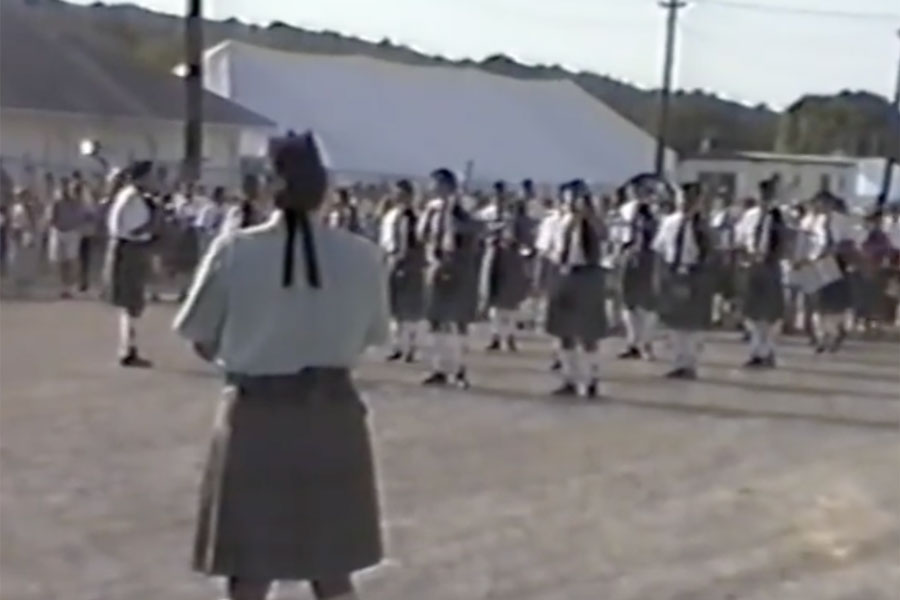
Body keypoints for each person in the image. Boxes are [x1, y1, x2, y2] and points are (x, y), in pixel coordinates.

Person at [174, 131, 388, 600]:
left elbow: (200, 336)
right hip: (332, 414)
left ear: (267, 187)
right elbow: (373, 337)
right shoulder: (365, 257)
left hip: (256, 414)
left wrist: (251, 351)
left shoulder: (235, 251)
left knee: (249, 569)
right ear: (325, 188)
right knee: (332, 569)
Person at [417, 168, 480, 388]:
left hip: (458, 266)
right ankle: (439, 367)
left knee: (458, 319)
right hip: (436, 264)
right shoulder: (432, 210)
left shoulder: (464, 207)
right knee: (435, 318)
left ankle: (459, 368)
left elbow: (472, 233)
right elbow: (422, 234)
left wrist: (458, 216)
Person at [545, 180, 608, 397]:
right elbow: (549, 248)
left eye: (578, 197)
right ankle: (569, 378)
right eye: (569, 197)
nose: (573, 202)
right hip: (564, 273)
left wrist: (590, 216)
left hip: (588, 275)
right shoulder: (558, 221)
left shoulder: (593, 222)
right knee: (564, 332)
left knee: (589, 333)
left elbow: (603, 236)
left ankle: (591, 379)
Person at [651, 183, 711, 379]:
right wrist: (661, 275)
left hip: (694, 273)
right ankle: (678, 361)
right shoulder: (669, 222)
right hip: (672, 271)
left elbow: (710, 253)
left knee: (692, 323)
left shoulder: (703, 225)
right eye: (682, 200)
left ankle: (690, 362)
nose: (685, 204)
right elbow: (660, 248)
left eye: (690, 200)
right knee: (674, 321)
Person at [104, 161, 157, 368]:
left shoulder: (131, 196)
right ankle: (128, 348)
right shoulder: (133, 198)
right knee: (131, 301)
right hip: (131, 249)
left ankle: (128, 346)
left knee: (131, 303)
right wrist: (153, 224)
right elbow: (130, 229)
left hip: (129, 249)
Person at [734, 177, 787, 368]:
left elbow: (787, 241)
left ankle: (768, 350)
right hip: (752, 265)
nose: (765, 199)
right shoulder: (750, 216)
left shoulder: (780, 216)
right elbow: (740, 238)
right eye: (763, 195)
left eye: (769, 195)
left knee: (771, 313)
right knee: (752, 312)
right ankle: (757, 350)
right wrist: (745, 256)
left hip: (771, 265)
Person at [479, 181, 531, 352]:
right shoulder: (486, 213)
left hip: (511, 258)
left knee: (510, 301)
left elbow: (525, 237)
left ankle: (509, 336)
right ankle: (495, 335)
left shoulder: (514, 216)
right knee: (492, 298)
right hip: (492, 255)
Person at [803, 192, 856, 353]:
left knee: (835, 304)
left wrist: (840, 252)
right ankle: (822, 336)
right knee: (818, 304)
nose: (822, 206)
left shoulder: (842, 221)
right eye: (819, 203)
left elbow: (850, 242)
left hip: (837, 264)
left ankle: (834, 333)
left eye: (826, 203)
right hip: (817, 264)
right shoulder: (813, 222)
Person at [379, 179, 425, 362]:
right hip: (391, 259)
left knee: (409, 309)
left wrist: (407, 260)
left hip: (408, 263)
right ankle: (398, 345)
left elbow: (415, 243)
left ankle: (410, 347)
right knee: (394, 307)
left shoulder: (414, 217)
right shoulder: (391, 215)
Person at [615, 180, 658, 360]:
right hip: (629, 255)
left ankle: (646, 343)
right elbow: (618, 235)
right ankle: (632, 342)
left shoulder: (654, 213)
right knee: (628, 301)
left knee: (646, 303)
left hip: (648, 257)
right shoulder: (625, 212)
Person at [47, 178, 85, 298]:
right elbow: (50, 216)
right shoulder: (57, 201)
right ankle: (63, 286)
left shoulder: (78, 202)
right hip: (58, 231)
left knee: (72, 260)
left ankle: (70, 286)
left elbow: (83, 216)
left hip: (72, 232)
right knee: (58, 261)